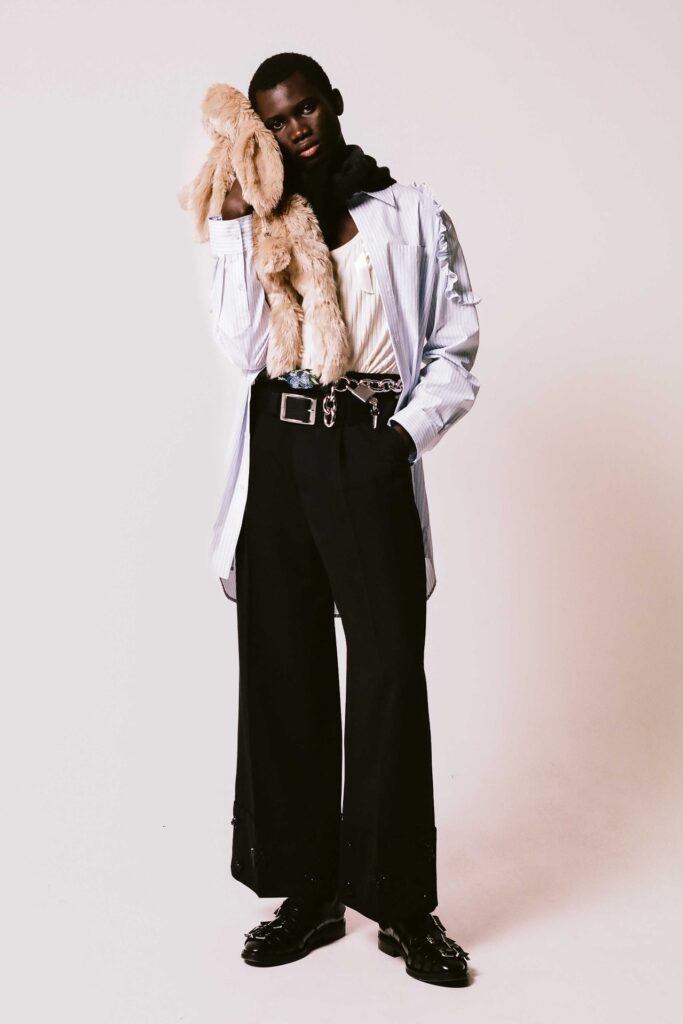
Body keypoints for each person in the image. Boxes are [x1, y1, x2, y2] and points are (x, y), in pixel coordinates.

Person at [205, 51, 481, 986]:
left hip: (366, 445)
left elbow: (453, 345)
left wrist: (400, 438)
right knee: (282, 669)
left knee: (390, 671)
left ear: (332, 103)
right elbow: (241, 346)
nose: (297, 130)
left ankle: (401, 903)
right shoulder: (262, 219)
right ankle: (310, 891)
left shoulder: (410, 212)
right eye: (278, 120)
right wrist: (231, 226)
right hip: (280, 451)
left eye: (307, 110)